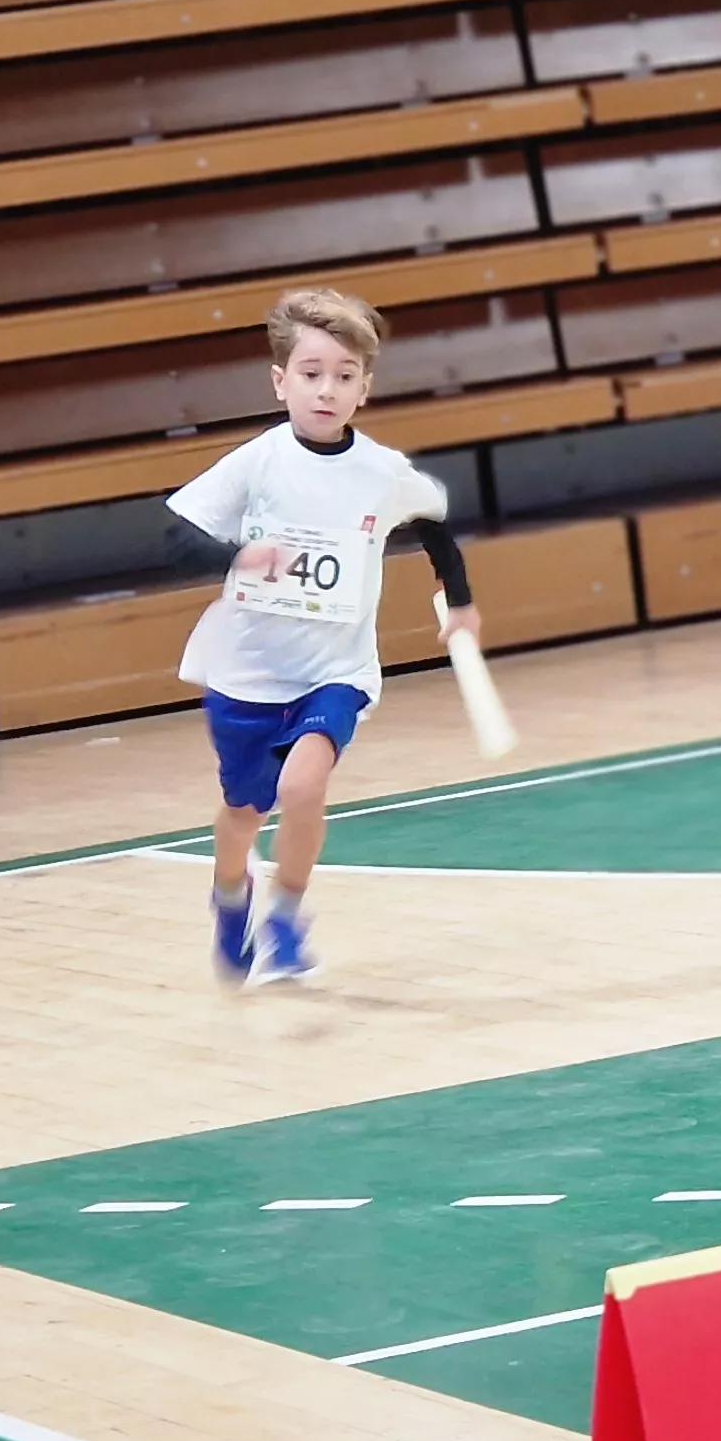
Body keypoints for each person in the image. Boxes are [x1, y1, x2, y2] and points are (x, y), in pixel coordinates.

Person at [166, 287, 476, 984]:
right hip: (245, 673)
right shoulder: (257, 463)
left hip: (335, 671)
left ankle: (286, 917)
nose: (327, 390)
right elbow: (172, 540)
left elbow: (433, 523)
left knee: (305, 788)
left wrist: (457, 599)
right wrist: (239, 556)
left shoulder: (381, 471)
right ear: (280, 381)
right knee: (244, 813)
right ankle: (229, 896)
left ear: (365, 388)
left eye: (344, 376)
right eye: (311, 374)